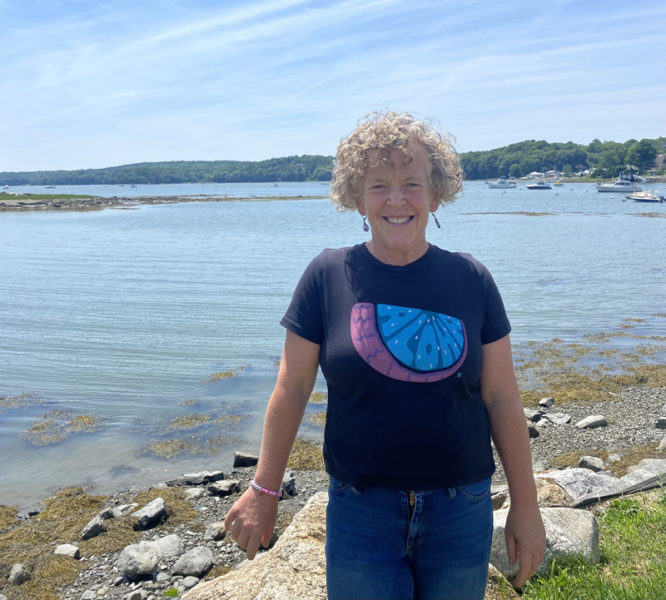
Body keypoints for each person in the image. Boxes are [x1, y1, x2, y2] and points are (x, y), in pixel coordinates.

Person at [225, 111, 546, 599]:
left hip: (461, 508)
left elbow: (502, 398)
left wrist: (527, 506)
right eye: (378, 185)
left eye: (412, 183)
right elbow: (291, 389)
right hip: (361, 512)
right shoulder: (326, 276)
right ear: (357, 197)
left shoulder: (472, 279)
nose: (397, 199)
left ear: (436, 193)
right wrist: (264, 490)